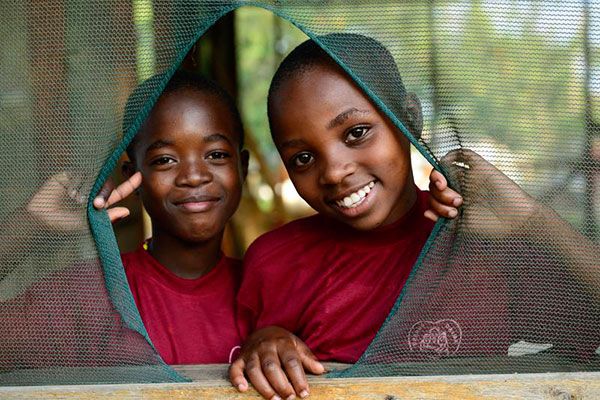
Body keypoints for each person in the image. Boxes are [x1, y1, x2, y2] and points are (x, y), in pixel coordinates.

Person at [229, 34, 600, 400]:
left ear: (408, 117)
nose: (334, 172)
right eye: (303, 158)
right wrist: (261, 345)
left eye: (356, 133)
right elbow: (229, 359)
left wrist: (531, 219)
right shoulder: (275, 261)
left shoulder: (478, 247)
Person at [1, 70, 250, 367]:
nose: (194, 176)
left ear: (242, 167)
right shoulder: (91, 296)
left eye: (217, 155)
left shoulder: (272, 287)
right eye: (165, 160)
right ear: (134, 178)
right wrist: (31, 223)